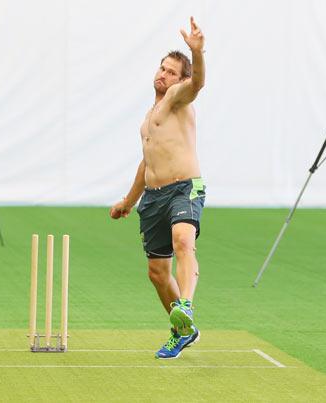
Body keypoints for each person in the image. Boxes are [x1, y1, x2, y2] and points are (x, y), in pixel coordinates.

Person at [110, 16, 206, 359]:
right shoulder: (149, 117)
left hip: (184, 189)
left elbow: (197, 85)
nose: (163, 74)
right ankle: (183, 331)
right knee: (156, 272)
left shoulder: (179, 99)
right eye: (162, 68)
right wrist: (128, 201)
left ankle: (187, 307)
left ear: (180, 80)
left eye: (171, 71)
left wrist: (197, 53)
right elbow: (145, 164)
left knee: (184, 239)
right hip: (153, 198)